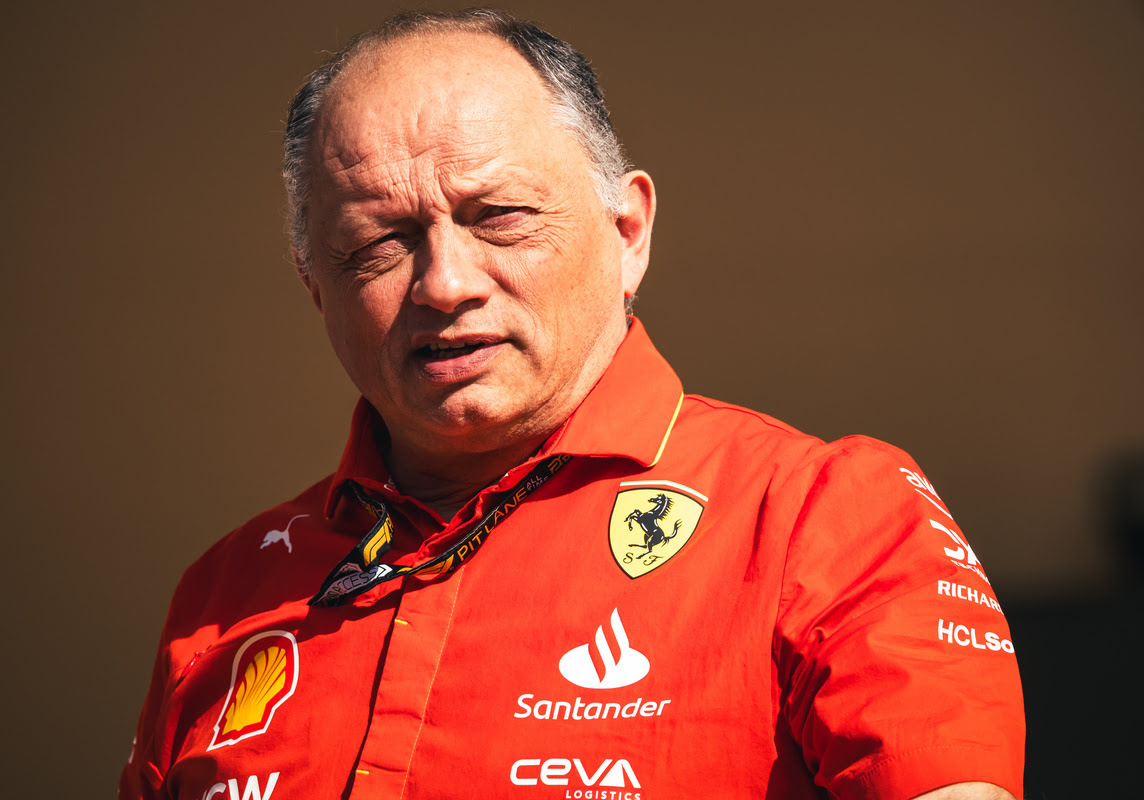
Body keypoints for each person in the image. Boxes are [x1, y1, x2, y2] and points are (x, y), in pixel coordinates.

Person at [119, 9, 1024, 800]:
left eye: (500, 216)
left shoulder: (822, 517)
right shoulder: (225, 595)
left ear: (627, 234)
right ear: (317, 288)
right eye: (378, 244)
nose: (445, 283)